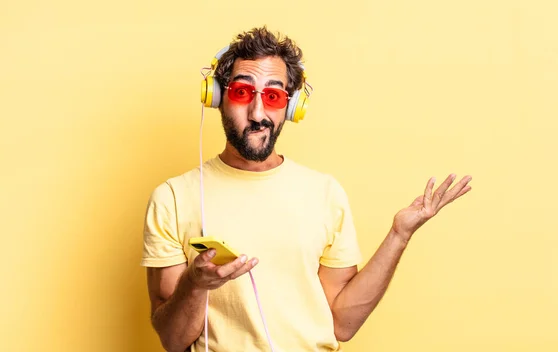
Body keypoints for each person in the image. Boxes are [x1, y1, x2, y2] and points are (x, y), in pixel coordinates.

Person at [141, 26, 472, 352]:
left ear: (292, 106)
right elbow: (173, 339)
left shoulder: (325, 193)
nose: (258, 114)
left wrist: (399, 234)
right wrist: (195, 285)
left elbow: (343, 323)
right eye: (242, 92)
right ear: (216, 97)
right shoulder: (172, 198)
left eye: (273, 96)